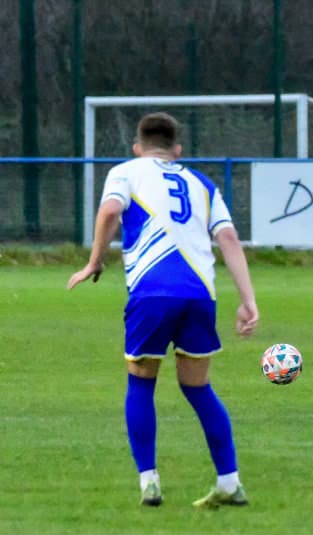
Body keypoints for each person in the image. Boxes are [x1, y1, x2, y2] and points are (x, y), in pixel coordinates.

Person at [67, 112, 260, 507]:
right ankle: (229, 481)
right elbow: (229, 238)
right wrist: (248, 300)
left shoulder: (126, 171)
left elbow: (109, 211)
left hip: (152, 292)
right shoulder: (202, 182)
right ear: (178, 150)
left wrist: (94, 262)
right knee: (198, 387)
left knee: (141, 383)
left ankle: (149, 482)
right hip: (199, 295)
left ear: (138, 147)